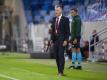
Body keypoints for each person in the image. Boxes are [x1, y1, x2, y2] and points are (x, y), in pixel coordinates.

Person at [50, 4, 70, 76]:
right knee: (56, 56)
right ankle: (59, 71)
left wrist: (66, 40)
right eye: (55, 10)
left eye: (57, 10)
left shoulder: (65, 19)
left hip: (62, 41)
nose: (56, 12)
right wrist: (51, 40)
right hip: (55, 40)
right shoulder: (54, 19)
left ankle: (61, 71)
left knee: (61, 55)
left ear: (61, 10)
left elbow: (68, 32)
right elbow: (52, 31)